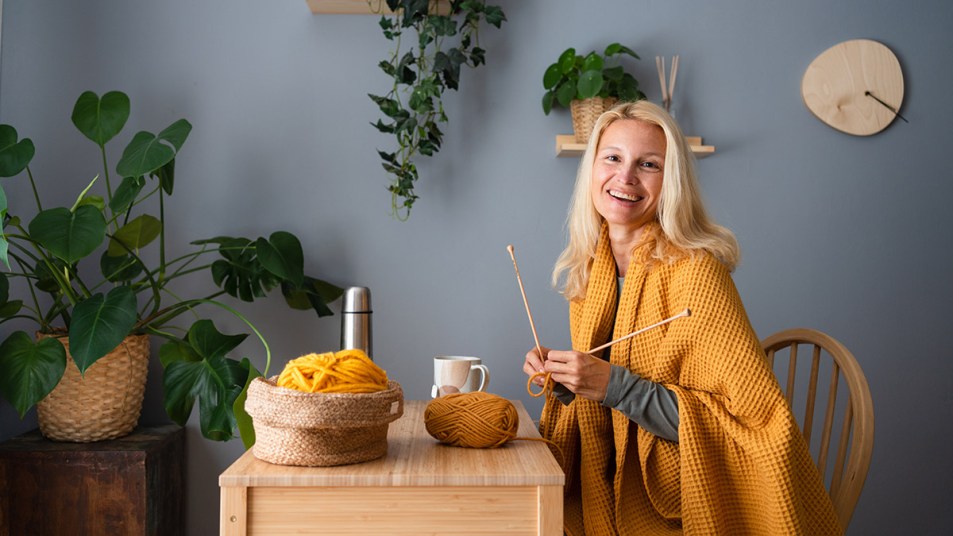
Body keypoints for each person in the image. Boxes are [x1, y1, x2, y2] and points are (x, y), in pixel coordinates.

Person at [523, 100, 841, 535]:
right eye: (612, 157)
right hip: (603, 490)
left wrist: (614, 386)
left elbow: (750, 426)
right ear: (592, 169)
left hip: (678, 505)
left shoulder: (696, 273)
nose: (626, 176)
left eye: (648, 164)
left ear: (669, 179)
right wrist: (568, 383)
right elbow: (606, 406)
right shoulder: (591, 270)